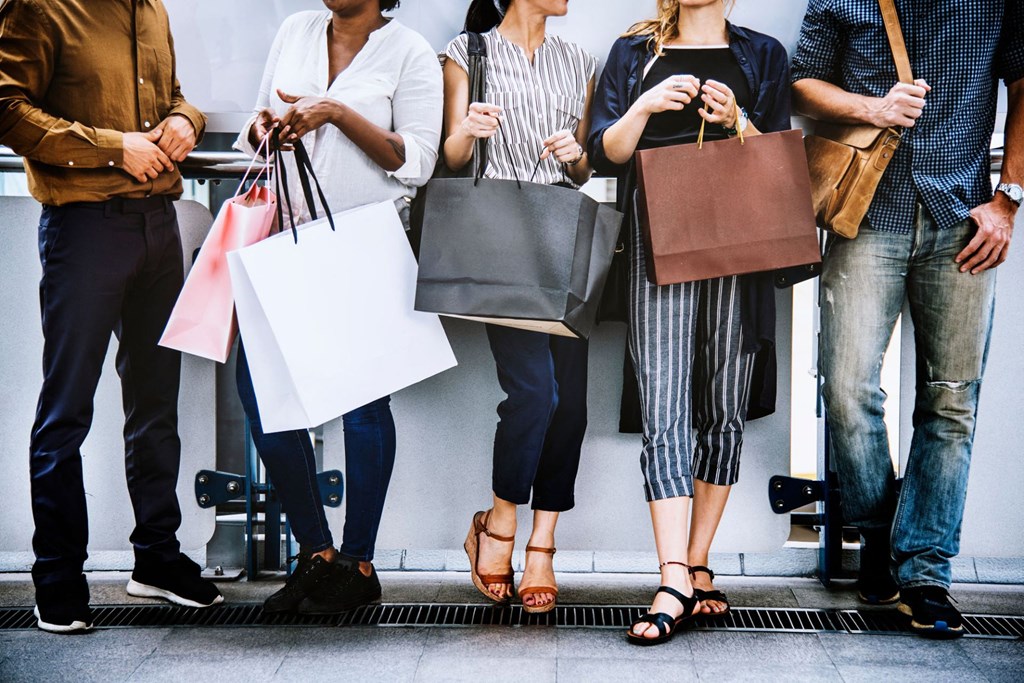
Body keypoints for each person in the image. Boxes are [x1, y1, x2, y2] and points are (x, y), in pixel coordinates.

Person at [792, 0, 1023, 639]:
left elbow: (1023, 79)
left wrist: (1009, 198)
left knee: (952, 402)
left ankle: (923, 573)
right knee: (846, 391)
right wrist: (872, 107)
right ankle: (882, 538)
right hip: (866, 214)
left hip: (964, 215)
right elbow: (802, 81)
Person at [0, 0, 222, 633]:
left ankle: (156, 558)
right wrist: (110, 148)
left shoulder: (151, 9)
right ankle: (57, 579)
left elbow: (176, 98)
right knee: (66, 409)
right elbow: (6, 108)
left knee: (156, 404)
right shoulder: (39, 7)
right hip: (83, 233)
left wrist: (186, 120)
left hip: (159, 229)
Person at [588, 0, 790, 644]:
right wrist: (644, 107)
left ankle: (699, 561)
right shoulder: (635, 51)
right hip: (659, 237)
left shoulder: (762, 55)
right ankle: (672, 574)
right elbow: (603, 153)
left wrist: (738, 119)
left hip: (740, 240)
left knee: (724, 404)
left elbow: (782, 157)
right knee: (665, 402)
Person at [232, 0, 442, 614]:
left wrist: (334, 112)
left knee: (361, 406)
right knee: (262, 393)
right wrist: (265, 128)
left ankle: (358, 563)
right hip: (284, 240)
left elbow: (417, 162)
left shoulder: (408, 52)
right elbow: (253, 119)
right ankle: (316, 552)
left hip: (365, 245)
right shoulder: (296, 29)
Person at [442, 0, 597, 614]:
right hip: (499, 239)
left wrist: (572, 155)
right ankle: (499, 518)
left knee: (573, 404)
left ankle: (543, 544)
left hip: (562, 237)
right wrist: (469, 132)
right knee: (536, 393)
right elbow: (452, 159)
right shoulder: (467, 53)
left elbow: (586, 168)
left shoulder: (579, 60)